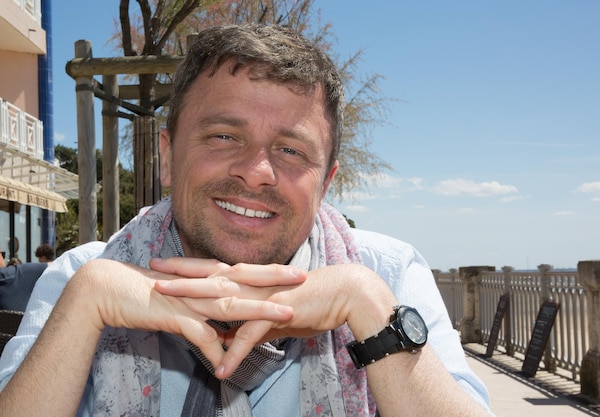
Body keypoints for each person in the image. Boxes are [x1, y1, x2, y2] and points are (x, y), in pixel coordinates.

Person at [0, 24, 494, 416]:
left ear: (325, 183)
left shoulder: (388, 276)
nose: (257, 173)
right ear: (167, 158)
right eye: (222, 137)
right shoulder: (78, 279)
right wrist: (85, 307)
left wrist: (367, 309)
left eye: (290, 149)